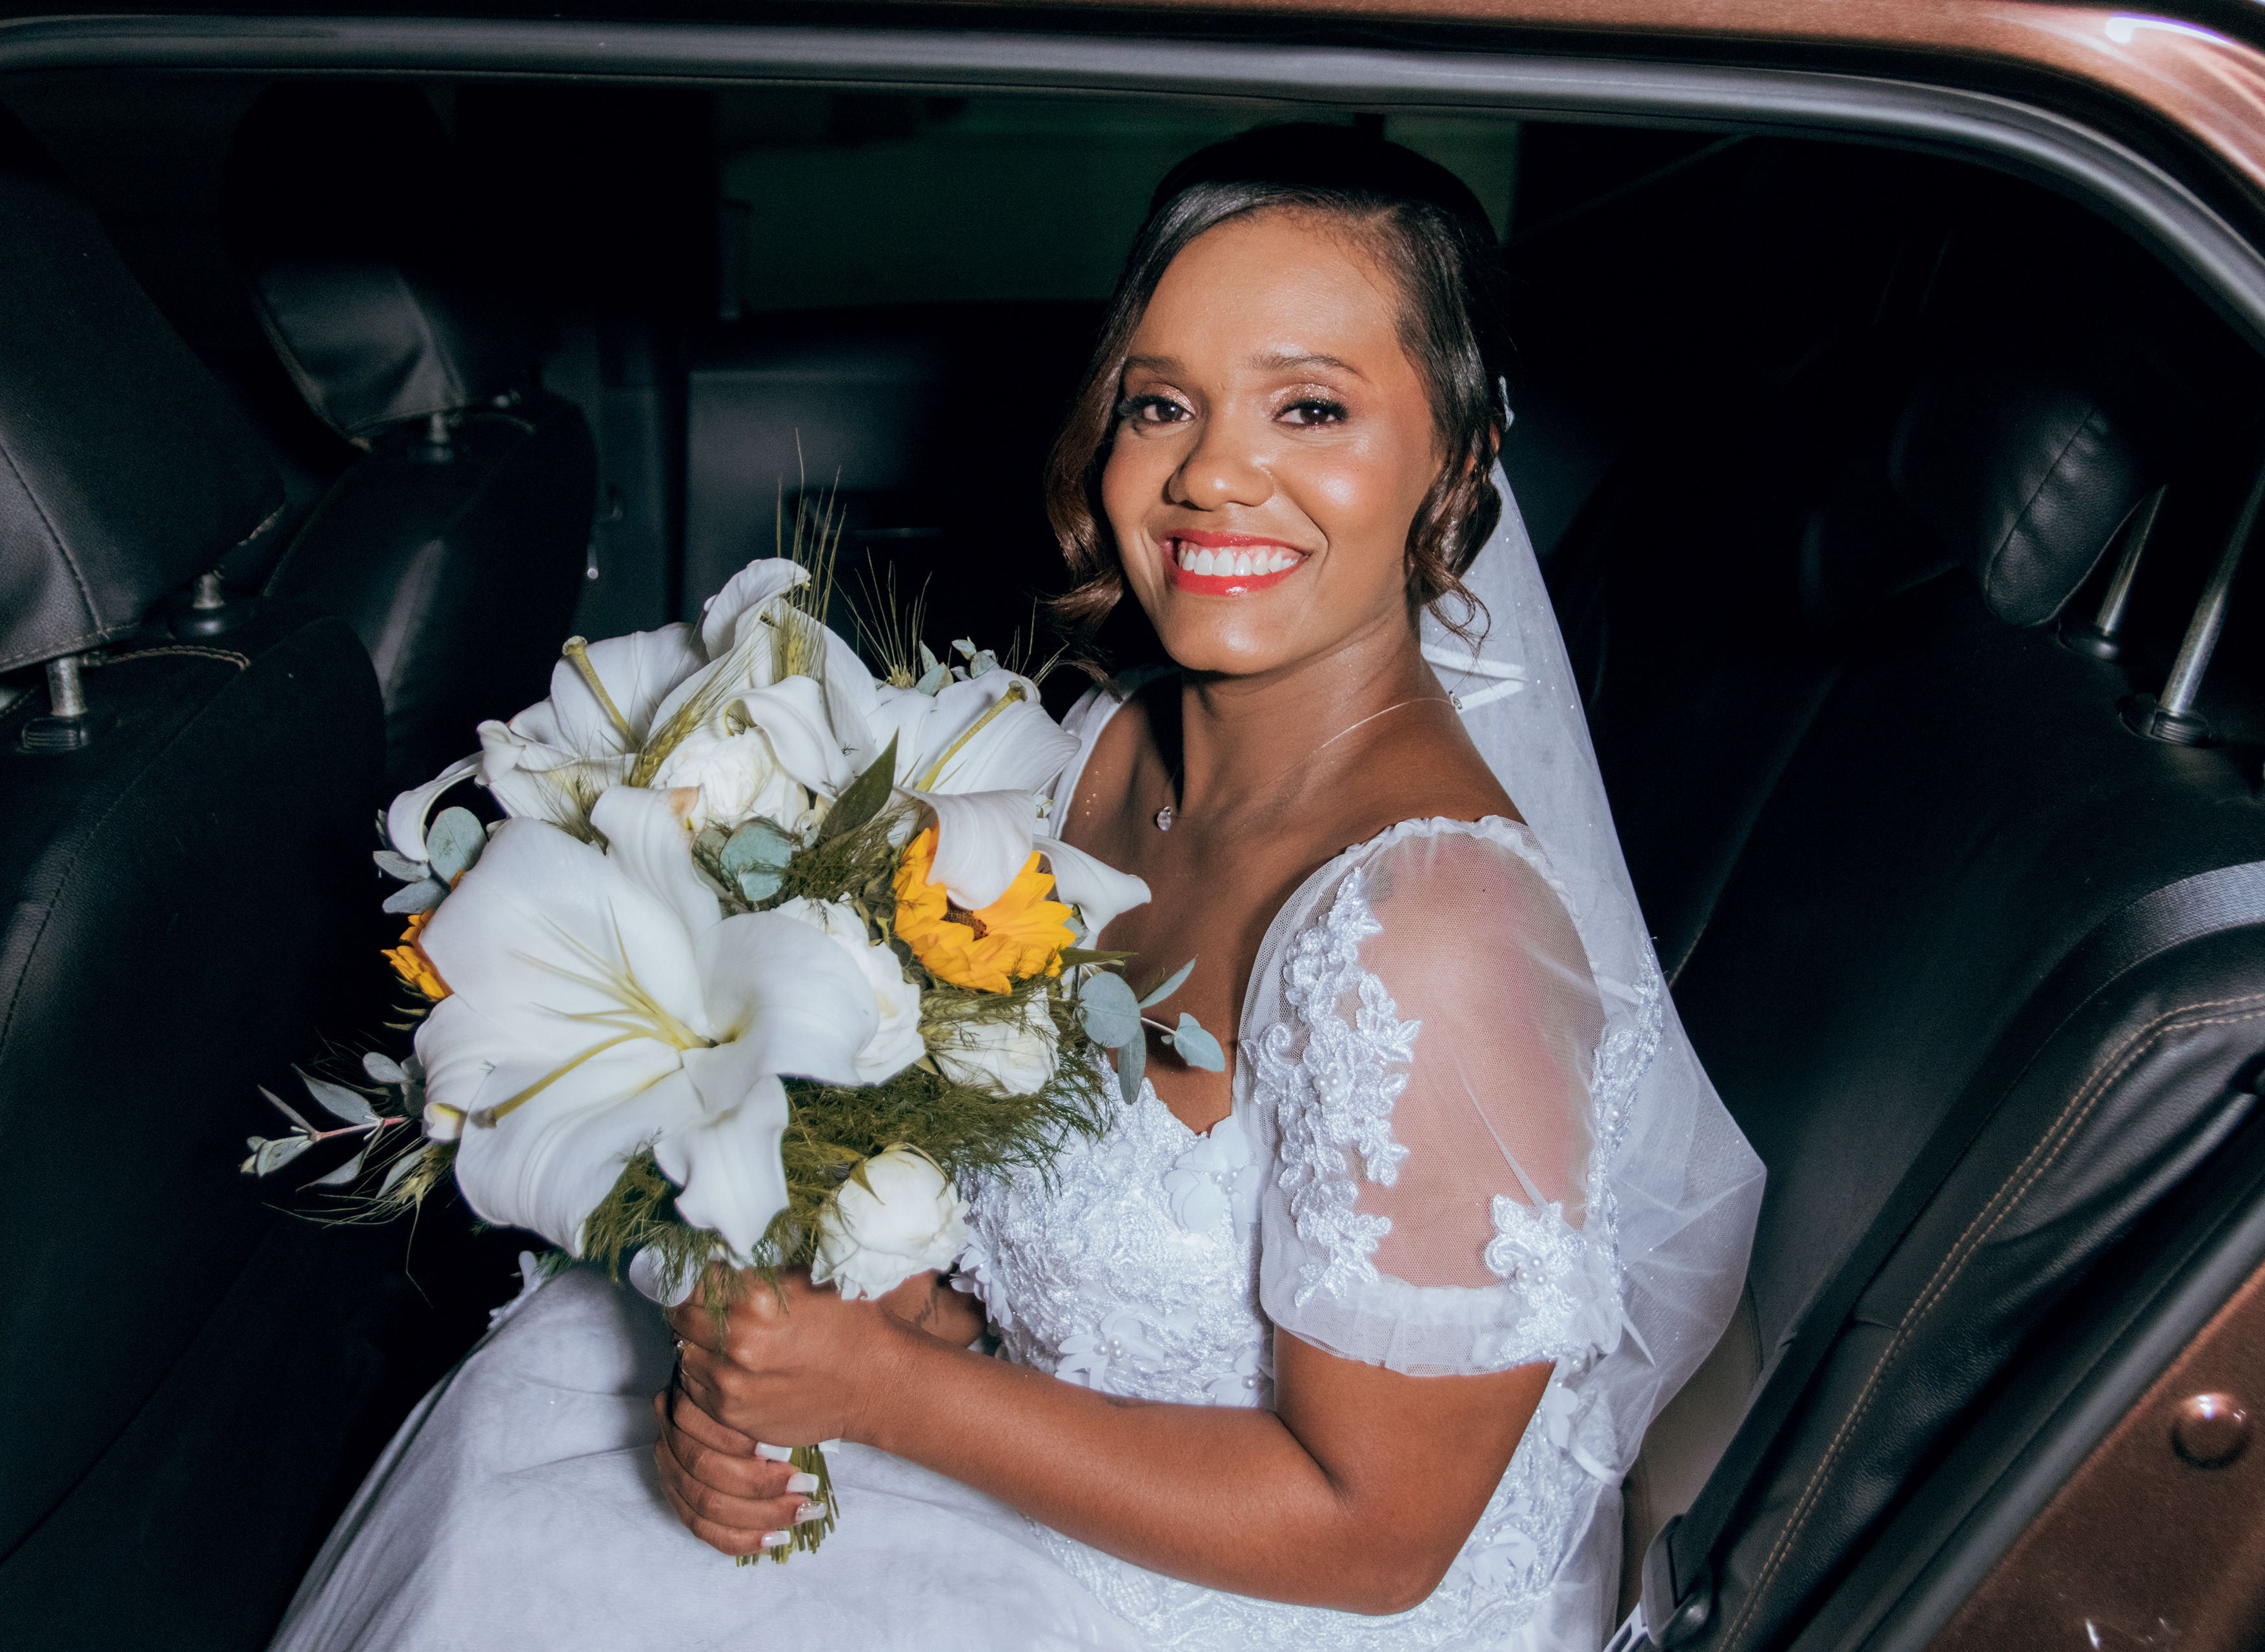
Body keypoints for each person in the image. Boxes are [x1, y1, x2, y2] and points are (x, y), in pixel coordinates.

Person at [272, 125, 1762, 1652]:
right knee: (532, 1437)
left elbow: (1377, 1535)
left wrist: (887, 1388)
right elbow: (1031, 1239)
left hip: (1271, 1603)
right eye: (1161, 403)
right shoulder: (1094, 754)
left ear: (1458, 460)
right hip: (1053, 1457)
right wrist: (841, 1340)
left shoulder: (1435, 935)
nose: (1212, 473)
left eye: (1310, 406)